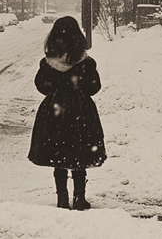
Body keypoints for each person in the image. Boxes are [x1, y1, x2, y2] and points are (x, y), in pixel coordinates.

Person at [28, 16, 107, 211]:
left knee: (59, 153)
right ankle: (79, 198)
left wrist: (57, 91)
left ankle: (62, 198)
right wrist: (77, 89)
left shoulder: (48, 63)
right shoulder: (86, 62)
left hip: (55, 110)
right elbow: (94, 87)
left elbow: (41, 86)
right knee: (78, 152)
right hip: (81, 110)